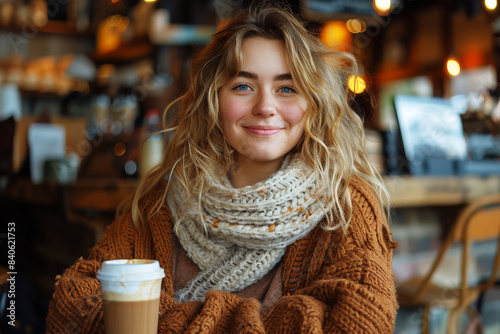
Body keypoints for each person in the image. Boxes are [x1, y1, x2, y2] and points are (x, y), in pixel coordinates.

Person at [47, 4, 398, 333]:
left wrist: (157, 319)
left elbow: (361, 322)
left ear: (314, 103)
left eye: (287, 88)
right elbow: (73, 305)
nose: (265, 106)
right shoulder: (165, 201)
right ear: (214, 100)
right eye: (243, 86)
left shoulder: (347, 206)